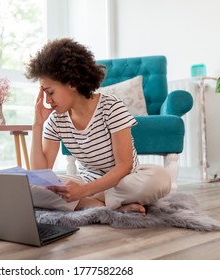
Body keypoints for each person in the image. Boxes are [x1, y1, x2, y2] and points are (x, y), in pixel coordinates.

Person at [25, 38, 171, 216]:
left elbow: (124, 166)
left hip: (122, 181)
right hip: (86, 181)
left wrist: (83, 191)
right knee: (28, 186)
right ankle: (111, 207)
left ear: (72, 83)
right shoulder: (56, 120)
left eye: (50, 92)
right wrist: (37, 125)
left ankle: (91, 203)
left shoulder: (111, 107)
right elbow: (40, 174)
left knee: (160, 178)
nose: (48, 101)